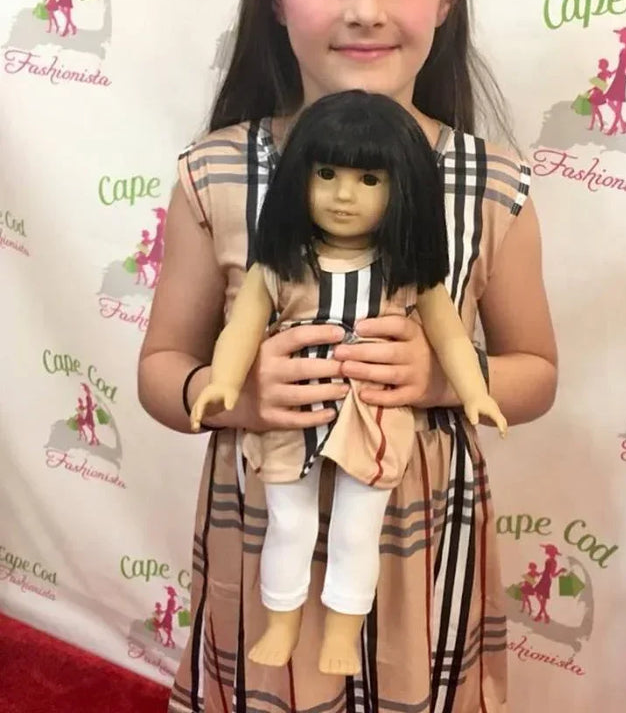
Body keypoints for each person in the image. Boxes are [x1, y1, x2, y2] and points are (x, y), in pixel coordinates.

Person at [138, 0, 557, 710]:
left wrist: (441, 377)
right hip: (261, 530)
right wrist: (229, 392)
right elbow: (161, 367)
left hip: (422, 539)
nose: (366, 8)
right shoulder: (217, 171)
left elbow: (536, 369)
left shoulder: (491, 181)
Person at [189, 90, 506, 676]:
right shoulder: (280, 265)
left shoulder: (408, 273)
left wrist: (476, 391)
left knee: (359, 527)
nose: (341, 195)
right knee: (288, 521)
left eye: (369, 179)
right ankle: (282, 619)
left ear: (403, 186)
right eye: (327, 173)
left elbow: (453, 338)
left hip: (375, 419)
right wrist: (223, 384)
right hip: (293, 417)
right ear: (297, 179)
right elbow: (240, 329)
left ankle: (342, 627)